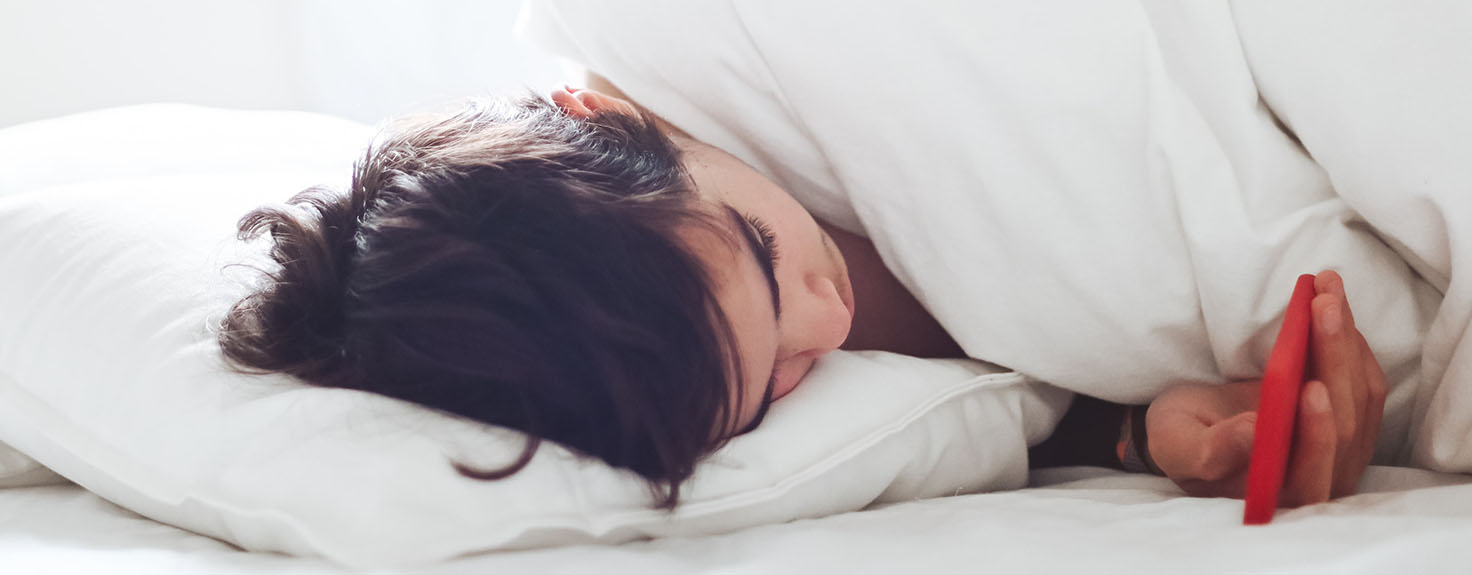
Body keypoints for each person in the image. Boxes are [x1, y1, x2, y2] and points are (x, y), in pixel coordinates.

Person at [218, 78, 1386, 511]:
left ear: (608, 120)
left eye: (766, 257)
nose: (827, 325)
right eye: (777, 380)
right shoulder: (663, 346)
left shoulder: (722, 58)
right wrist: (1134, 430)